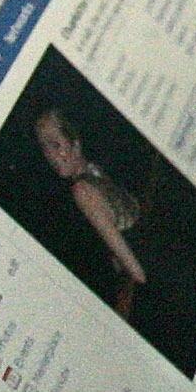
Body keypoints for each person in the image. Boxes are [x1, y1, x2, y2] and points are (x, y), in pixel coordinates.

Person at [33, 106, 148, 315]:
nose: (52, 156)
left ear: (75, 144)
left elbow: (136, 271)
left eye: (55, 144)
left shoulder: (82, 190)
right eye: (45, 148)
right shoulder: (94, 171)